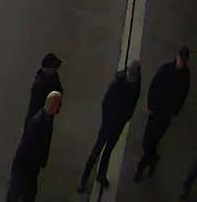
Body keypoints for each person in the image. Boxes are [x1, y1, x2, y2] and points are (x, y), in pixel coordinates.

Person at [80, 61, 142, 192]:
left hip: (119, 124)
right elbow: (105, 103)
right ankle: (84, 180)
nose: (131, 81)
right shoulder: (118, 82)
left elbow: (133, 103)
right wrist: (108, 121)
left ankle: (101, 175)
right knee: (97, 150)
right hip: (109, 123)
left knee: (108, 150)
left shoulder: (136, 83)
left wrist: (126, 119)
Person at [137, 47, 191, 181]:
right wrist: (150, 105)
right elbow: (154, 85)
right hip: (156, 110)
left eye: (183, 60)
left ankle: (142, 166)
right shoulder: (166, 69)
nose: (181, 62)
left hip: (166, 114)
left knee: (154, 140)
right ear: (177, 56)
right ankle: (152, 159)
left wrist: (175, 111)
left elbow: (183, 95)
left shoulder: (185, 76)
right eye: (180, 58)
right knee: (146, 142)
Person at [9, 91, 62, 202]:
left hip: (29, 167)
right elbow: (27, 147)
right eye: (58, 103)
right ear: (52, 105)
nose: (60, 106)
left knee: (23, 193)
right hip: (25, 167)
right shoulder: (38, 122)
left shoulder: (48, 117)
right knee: (19, 193)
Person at [28, 53, 65, 126]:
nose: (55, 70)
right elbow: (35, 106)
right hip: (39, 117)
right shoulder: (39, 83)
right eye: (54, 68)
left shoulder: (54, 77)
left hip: (46, 116)